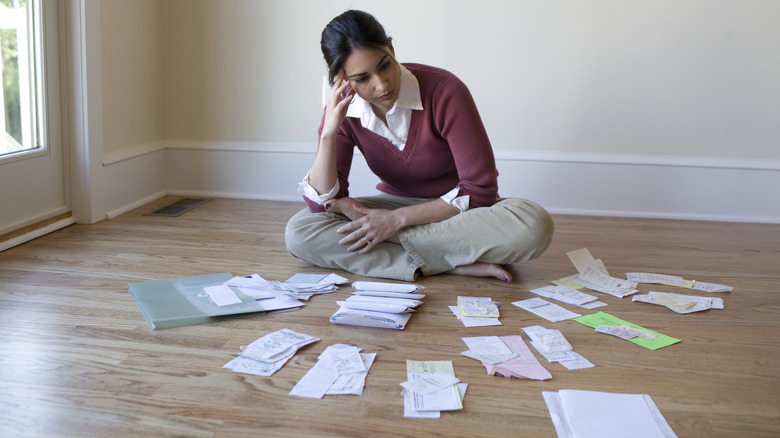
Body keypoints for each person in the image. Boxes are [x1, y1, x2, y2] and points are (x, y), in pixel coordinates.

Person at [285, 10, 553, 282]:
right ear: (343, 80)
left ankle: (407, 249)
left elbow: (480, 191)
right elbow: (322, 204)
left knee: (531, 225)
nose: (381, 84)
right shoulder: (343, 111)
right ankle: (448, 263)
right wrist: (329, 132)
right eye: (363, 78)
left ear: (391, 49)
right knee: (301, 231)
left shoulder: (445, 91)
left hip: (457, 212)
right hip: (392, 205)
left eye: (384, 65)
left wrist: (396, 222)